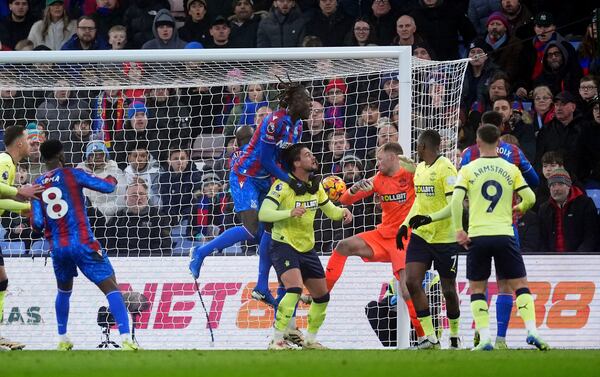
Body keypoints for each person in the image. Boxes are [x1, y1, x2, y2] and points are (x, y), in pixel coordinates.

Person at [189, 81, 311, 308]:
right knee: (253, 228)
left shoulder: (298, 126)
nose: (310, 103)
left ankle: (262, 286)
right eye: (306, 99)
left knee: (270, 228)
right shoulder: (274, 121)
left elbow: (285, 158)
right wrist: (290, 181)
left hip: (268, 177)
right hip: (245, 175)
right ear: (293, 101)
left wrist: (299, 179)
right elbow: (265, 159)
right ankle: (202, 251)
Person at [31, 139, 137, 351]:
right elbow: (106, 187)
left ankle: (62, 338)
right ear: (61, 156)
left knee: (63, 291)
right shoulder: (72, 173)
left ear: (42, 159)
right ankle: (126, 338)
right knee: (111, 287)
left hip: (58, 248)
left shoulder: (38, 183)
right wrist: (112, 177)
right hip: (83, 242)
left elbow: (37, 224)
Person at [451, 124, 548, 351]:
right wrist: (521, 207)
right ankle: (532, 331)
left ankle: (484, 338)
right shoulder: (510, 168)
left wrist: (459, 230)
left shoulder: (468, 169)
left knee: (477, 288)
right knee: (520, 285)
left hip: (478, 236)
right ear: (499, 142)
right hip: (505, 234)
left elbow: (456, 201)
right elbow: (531, 197)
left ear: (477, 141)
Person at [324, 142, 425, 341]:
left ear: (393, 158)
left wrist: (418, 169)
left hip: (404, 239)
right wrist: (353, 190)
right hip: (382, 236)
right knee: (343, 246)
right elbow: (344, 200)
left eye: (380, 159)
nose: (377, 162)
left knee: (406, 290)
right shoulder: (377, 179)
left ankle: (424, 337)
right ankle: (321, 294)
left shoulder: (412, 176)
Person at [259, 143, 352, 349]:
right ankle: (277, 340)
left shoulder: (315, 186)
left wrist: (342, 212)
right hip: (283, 244)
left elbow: (330, 210)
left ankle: (309, 341)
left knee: (322, 295)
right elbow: (263, 214)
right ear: (296, 163)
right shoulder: (282, 186)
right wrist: (288, 213)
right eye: (308, 155)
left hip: (307, 247)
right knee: (294, 289)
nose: (313, 158)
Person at [396, 130, 461, 349]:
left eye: (417, 144)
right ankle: (430, 337)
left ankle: (454, 335)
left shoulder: (447, 169)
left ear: (424, 146)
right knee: (412, 281)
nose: (416, 147)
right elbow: (420, 203)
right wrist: (405, 225)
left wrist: (429, 218)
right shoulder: (421, 169)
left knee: (449, 291)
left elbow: (454, 205)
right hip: (421, 236)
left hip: (445, 237)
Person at [0, 125, 44, 350]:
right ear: (19, 143)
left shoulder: (11, 165)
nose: (31, 144)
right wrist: (20, 194)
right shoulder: (4, 161)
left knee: (1, 281)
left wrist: (22, 207)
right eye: (28, 139)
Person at [537, 169, 598, 253]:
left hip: (581, 259)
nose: (556, 189)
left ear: (569, 186)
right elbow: (541, 240)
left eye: (560, 184)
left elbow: (591, 236)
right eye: (552, 185)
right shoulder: (543, 209)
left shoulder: (585, 204)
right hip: (550, 260)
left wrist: (578, 257)